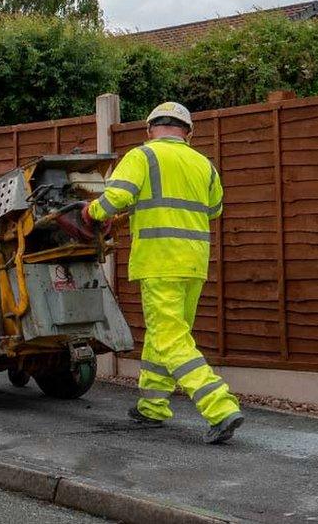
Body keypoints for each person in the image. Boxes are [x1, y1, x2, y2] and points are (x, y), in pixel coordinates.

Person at [83, 102, 244, 444]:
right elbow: (214, 209)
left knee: (171, 338)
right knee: (165, 333)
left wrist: (92, 211)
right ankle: (152, 406)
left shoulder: (143, 156)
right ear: (188, 133)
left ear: (149, 129)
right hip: (194, 263)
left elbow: (115, 198)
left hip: (159, 262)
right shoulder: (205, 164)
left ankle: (220, 406)